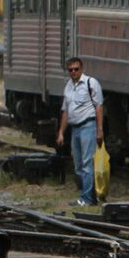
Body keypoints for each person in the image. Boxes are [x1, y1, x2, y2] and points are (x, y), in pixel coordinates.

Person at [55, 57, 104, 207]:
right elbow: (66, 112)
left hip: (88, 126)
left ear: (81, 69)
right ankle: (87, 195)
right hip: (74, 128)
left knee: (87, 163)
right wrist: (61, 132)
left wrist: (99, 129)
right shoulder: (68, 87)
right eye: (71, 70)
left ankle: (87, 199)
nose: (74, 72)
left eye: (76, 69)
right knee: (78, 165)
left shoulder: (91, 83)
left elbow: (99, 107)